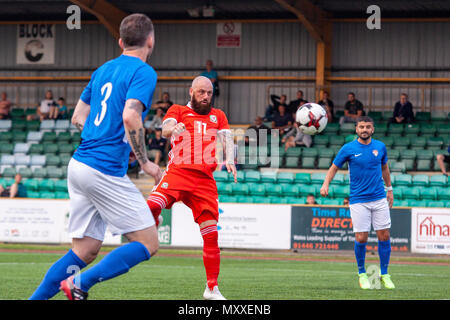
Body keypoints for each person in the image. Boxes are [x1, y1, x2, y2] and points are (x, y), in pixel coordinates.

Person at [29, 13, 162, 300]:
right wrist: (146, 163)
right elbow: (130, 115)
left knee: (85, 248)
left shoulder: (103, 70)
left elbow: (78, 117)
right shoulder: (143, 72)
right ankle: (79, 284)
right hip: (103, 168)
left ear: (120, 41)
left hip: (79, 165)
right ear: (150, 40)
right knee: (148, 242)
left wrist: (99, 132)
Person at [147, 76, 237, 300]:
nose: (206, 96)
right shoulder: (177, 110)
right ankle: (154, 221)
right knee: (150, 205)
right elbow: (166, 127)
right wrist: (171, 129)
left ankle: (211, 288)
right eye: (201, 92)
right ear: (191, 92)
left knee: (210, 235)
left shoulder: (219, 115)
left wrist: (231, 159)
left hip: (205, 181)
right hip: (179, 172)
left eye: (209, 93)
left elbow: (226, 138)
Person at [320, 116, 395, 290]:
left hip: (379, 198)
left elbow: (385, 168)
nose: (364, 129)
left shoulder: (380, 147)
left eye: (368, 127)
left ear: (373, 129)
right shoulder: (348, 148)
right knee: (362, 237)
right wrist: (326, 184)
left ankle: (384, 274)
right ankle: (362, 273)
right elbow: (334, 167)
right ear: (356, 129)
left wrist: (389, 189)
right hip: (358, 200)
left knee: (384, 235)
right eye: (361, 127)